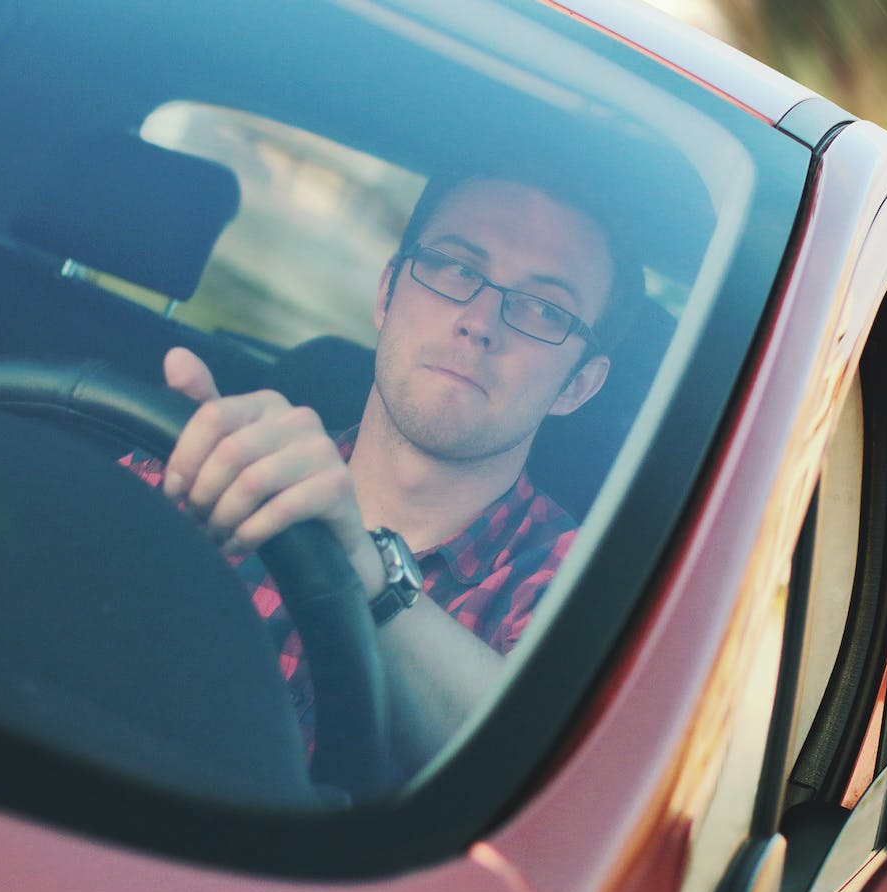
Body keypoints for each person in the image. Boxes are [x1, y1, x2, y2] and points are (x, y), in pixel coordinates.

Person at [129, 170, 636, 772]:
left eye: (545, 309)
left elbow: (546, 776)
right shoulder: (210, 465)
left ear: (578, 385)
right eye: (457, 268)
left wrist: (369, 574)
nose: (480, 322)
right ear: (387, 293)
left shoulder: (589, 596)